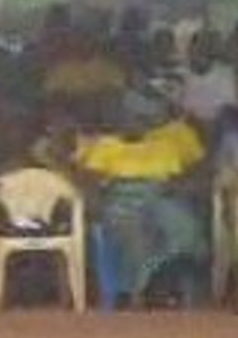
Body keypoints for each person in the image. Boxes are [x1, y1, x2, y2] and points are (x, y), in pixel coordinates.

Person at [78, 89, 207, 308]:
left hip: (162, 196)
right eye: (132, 118)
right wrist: (96, 204)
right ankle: (141, 290)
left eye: (143, 119)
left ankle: (166, 280)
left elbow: (196, 171)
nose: (137, 123)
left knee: (185, 227)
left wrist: (181, 186)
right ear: (121, 118)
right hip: (121, 198)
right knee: (133, 232)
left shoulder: (164, 143)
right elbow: (89, 183)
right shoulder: (106, 145)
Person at [180, 29, 237, 131]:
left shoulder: (225, 74)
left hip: (217, 130)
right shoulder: (182, 75)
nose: (202, 51)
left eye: (206, 46)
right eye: (198, 47)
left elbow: (229, 111)